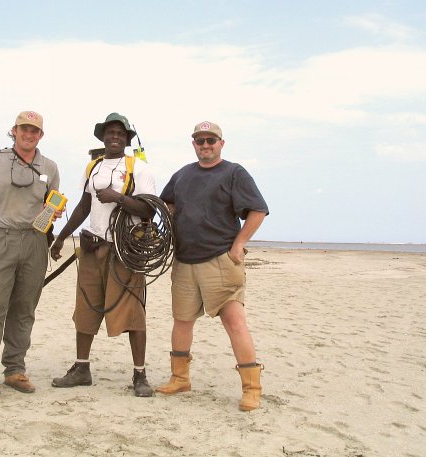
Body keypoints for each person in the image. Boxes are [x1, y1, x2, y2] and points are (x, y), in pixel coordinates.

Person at [156, 120, 269, 411]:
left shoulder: (234, 173)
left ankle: (251, 388)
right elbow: (166, 205)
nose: (205, 145)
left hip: (220, 260)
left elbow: (257, 210)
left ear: (221, 143)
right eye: (199, 140)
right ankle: (180, 378)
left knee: (234, 322)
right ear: (193, 143)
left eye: (210, 140)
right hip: (184, 261)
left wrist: (238, 244)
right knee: (182, 321)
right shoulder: (182, 175)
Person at [49, 113, 156, 397]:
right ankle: (82, 369)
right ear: (102, 137)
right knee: (86, 308)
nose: (114, 137)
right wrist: (61, 237)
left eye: (120, 133)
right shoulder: (93, 167)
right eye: (109, 132)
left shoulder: (139, 168)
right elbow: (84, 207)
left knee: (132, 310)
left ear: (127, 138)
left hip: (125, 250)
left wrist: (118, 197)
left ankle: (140, 376)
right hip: (92, 247)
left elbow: (149, 210)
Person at [0, 110, 61, 402]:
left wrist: (54, 213)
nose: (28, 134)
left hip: (35, 242)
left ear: (41, 135)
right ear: (14, 130)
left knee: (24, 310)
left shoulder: (50, 166)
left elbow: (51, 206)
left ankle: (15, 370)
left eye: (34, 130)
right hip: (0, 240)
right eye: (24, 129)